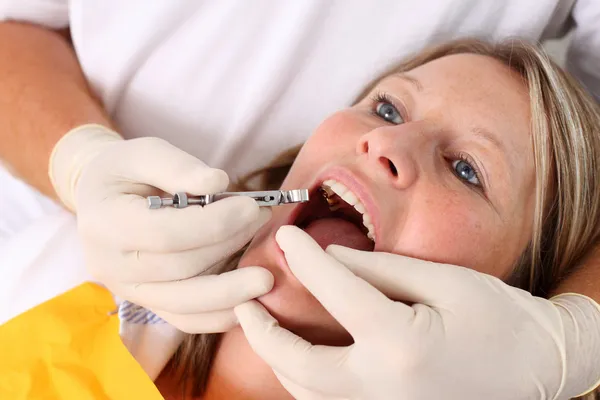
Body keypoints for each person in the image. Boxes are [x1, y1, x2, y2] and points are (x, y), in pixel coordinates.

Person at [0, 2, 599, 399]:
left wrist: (571, 341)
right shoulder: (53, 314)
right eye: (387, 107)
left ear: (520, 299)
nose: (385, 140)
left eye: (466, 169)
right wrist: (81, 161)